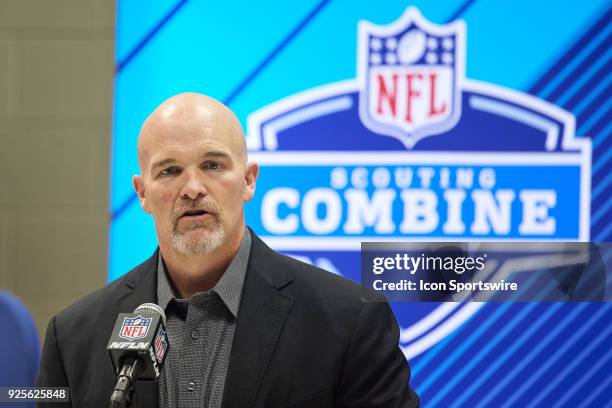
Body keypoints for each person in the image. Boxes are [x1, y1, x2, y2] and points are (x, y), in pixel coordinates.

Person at [37, 93, 420, 408]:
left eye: (213, 164)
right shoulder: (73, 336)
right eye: (169, 171)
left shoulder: (349, 321)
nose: (192, 188)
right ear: (142, 193)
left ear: (248, 180)